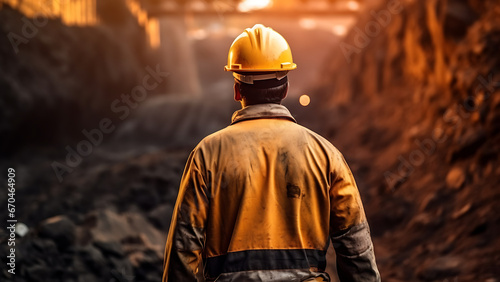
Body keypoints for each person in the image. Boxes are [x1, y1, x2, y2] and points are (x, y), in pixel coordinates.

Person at [162, 24, 380, 282]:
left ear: (236, 90)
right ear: (285, 89)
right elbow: (356, 250)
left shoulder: (206, 155)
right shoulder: (326, 155)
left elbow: (183, 249)